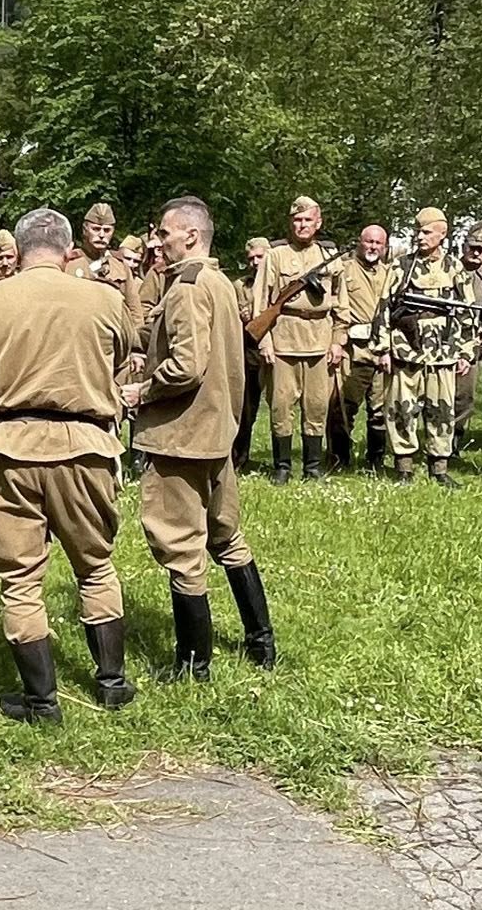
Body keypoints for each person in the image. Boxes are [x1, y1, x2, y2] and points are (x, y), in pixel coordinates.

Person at [0, 207, 133, 723]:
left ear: (17, 253)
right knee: (96, 566)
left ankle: (42, 702)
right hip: (87, 446)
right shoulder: (105, 299)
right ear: (69, 251)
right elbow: (123, 359)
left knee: (20, 580)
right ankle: (111, 683)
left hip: (7, 450)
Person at [127, 197, 274, 681]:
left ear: (190, 236)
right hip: (215, 433)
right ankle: (261, 642)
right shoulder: (219, 283)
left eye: (164, 233)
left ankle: (194, 665)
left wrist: (141, 390)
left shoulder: (188, 287)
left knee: (182, 549)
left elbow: (187, 365)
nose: (156, 241)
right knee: (227, 536)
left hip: (181, 436)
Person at [375, 208, 477, 486]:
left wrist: (467, 351)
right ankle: (404, 468)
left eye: (426, 232)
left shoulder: (455, 268)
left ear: (442, 234)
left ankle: (439, 468)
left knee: (442, 411)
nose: (420, 236)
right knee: (401, 411)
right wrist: (383, 348)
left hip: (443, 352)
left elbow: (468, 312)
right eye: (418, 231)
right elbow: (384, 307)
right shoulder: (402, 266)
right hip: (406, 351)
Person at [251, 196, 342, 483]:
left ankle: (312, 466)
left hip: (319, 341)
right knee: (280, 405)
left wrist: (338, 340)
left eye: (307, 220)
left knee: (316, 405)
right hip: (283, 340)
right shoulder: (275, 256)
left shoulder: (330, 257)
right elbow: (260, 301)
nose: (302, 225)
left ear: (318, 223)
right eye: (297, 220)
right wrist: (264, 340)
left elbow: (342, 303)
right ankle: (283, 466)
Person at [330, 224, 395, 473]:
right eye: (368, 242)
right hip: (352, 352)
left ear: (385, 247)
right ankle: (339, 459)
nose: (373, 247)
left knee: (379, 409)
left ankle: (375, 461)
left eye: (378, 243)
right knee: (344, 407)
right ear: (360, 242)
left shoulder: (390, 274)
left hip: (381, 352)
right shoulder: (345, 270)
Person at [453, 226, 482, 450]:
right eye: (472, 248)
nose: (476, 253)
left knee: (465, 396)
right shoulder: (449, 270)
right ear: (464, 247)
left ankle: (455, 440)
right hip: (447, 342)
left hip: (476, 345)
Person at [232, 238, 267, 473]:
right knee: (246, 409)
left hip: (280, 350)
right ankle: (238, 457)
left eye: (260, 257)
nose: (255, 263)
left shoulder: (281, 284)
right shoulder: (240, 287)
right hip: (249, 353)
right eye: (251, 259)